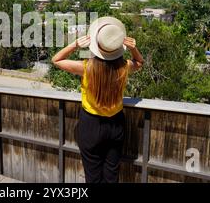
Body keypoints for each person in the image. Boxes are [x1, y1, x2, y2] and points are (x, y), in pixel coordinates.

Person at [51, 17, 144, 183]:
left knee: (92, 176)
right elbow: (139, 62)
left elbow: (56, 59)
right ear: (117, 48)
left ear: (96, 44)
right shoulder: (123, 68)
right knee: (111, 175)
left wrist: (75, 45)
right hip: (116, 124)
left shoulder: (86, 68)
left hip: (90, 125)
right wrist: (134, 48)